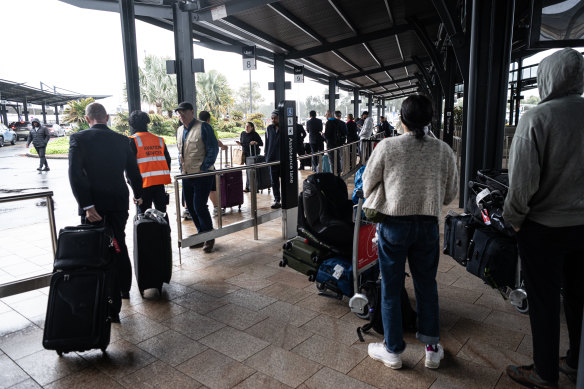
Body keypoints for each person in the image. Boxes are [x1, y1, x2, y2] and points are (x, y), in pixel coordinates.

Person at [504, 48, 584, 389]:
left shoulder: (537, 118)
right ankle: (576, 363)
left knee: (545, 299)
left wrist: (515, 219)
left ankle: (545, 372)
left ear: (546, 77)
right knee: (579, 297)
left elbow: (522, 182)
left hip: (544, 228)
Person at [362, 95, 457, 370]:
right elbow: (450, 194)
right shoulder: (443, 150)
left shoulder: (387, 146)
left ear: (401, 119)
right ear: (429, 119)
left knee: (391, 288)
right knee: (427, 286)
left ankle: (392, 350)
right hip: (427, 225)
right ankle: (431, 348)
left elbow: (368, 183)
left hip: (393, 224)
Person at [68, 102, 143, 321]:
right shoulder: (123, 140)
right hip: (118, 202)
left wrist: (87, 205)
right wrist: (138, 194)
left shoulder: (79, 139)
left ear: (87, 118)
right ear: (107, 117)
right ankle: (123, 289)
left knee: (99, 250)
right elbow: (133, 172)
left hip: (95, 206)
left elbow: (75, 174)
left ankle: (109, 303)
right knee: (118, 242)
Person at [176, 102, 219, 253]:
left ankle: (209, 236)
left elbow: (213, 148)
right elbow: (180, 152)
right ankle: (202, 235)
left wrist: (205, 167)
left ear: (191, 112)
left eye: (183, 113)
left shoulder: (203, 127)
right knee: (190, 206)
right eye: (179, 114)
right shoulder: (180, 130)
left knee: (199, 205)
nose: (181, 116)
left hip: (202, 175)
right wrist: (182, 169)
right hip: (187, 175)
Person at [128, 110, 171, 214]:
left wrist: (136, 194)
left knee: (144, 218)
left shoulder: (132, 141)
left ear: (131, 124)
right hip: (159, 185)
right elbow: (167, 160)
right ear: (147, 122)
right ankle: (164, 231)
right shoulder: (159, 140)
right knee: (162, 215)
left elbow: (130, 170)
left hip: (142, 187)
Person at [199, 110, 228, 217]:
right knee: (212, 187)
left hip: (194, 165)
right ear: (208, 119)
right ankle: (216, 208)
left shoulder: (194, 128)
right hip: (207, 164)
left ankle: (188, 209)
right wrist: (224, 147)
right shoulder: (208, 128)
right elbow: (215, 143)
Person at [236, 121, 263, 192]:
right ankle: (248, 187)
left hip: (253, 155)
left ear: (252, 128)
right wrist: (240, 144)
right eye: (245, 126)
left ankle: (253, 187)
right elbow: (243, 143)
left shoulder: (255, 134)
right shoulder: (243, 133)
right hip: (245, 154)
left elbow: (261, 143)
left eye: (248, 126)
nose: (246, 127)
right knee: (248, 171)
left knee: (252, 171)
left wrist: (255, 142)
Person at [264, 110, 281, 209]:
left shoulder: (285, 128)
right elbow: (267, 142)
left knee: (285, 180)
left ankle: (287, 198)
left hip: (282, 158)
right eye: (272, 118)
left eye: (275, 118)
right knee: (274, 181)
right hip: (272, 158)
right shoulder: (269, 128)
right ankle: (277, 200)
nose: (273, 120)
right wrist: (266, 155)